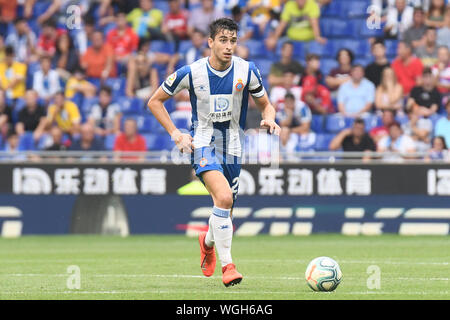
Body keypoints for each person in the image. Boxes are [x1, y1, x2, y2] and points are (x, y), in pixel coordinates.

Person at [147, 18, 280, 287]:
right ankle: (228, 266)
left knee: (225, 210)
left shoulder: (247, 71)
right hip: (203, 144)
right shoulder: (191, 72)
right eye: (223, 40)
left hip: (233, 148)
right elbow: (155, 101)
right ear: (210, 42)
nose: (229, 46)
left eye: (233, 41)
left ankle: (207, 242)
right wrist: (176, 133)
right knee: (223, 196)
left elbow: (266, 104)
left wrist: (270, 118)